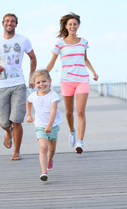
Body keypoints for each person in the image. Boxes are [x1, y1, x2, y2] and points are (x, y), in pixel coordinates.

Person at [0, 13, 37, 161]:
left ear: (16, 24)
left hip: (18, 85)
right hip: (1, 86)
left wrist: (31, 75)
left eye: (12, 21)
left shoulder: (23, 40)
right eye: (7, 21)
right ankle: (8, 132)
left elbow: (33, 57)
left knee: (17, 120)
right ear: (3, 24)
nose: (10, 23)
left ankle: (16, 151)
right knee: (4, 122)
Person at [46, 12, 98, 154]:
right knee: (69, 112)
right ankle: (72, 131)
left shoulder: (83, 42)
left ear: (78, 26)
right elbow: (52, 63)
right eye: (70, 24)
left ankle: (80, 142)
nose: (73, 26)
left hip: (82, 79)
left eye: (75, 24)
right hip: (67, 80)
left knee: (80, 111)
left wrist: (93, 72)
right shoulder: (60, 44)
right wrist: (42, 74)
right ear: (66, 26)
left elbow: (85, 59)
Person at [26, 69, 63, 181]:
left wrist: (50, 125)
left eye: (44, 81)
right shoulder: (33, 95)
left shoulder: (53, 95)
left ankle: (50, 160)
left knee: (51, 149)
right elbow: (28, 102)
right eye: (38, 83)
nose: (41, 84)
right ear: (34, 84)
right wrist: (29, 115)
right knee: (43, 147)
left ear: (50, 81)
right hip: (40, 126)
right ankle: (44, 172)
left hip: (53, 125)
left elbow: (53, 111)